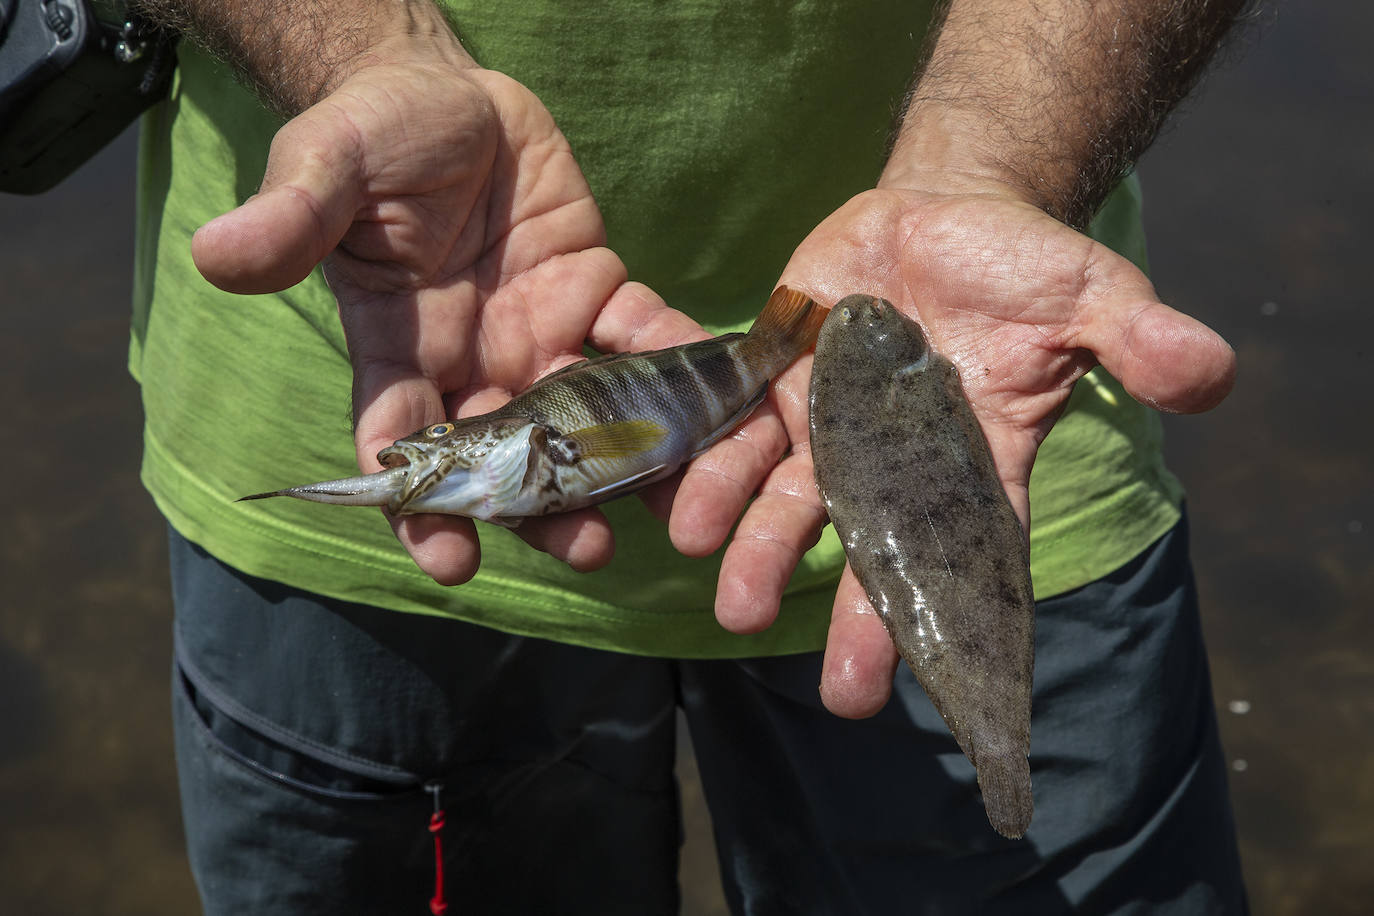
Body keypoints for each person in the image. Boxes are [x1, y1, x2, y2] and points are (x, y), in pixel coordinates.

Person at [130, 0, 1249, 912]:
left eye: (438, 462)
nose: (428, 468)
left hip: (1001, 390)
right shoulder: (477, 451)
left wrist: (997, 161)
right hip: (353, 374)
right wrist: (367, 49)